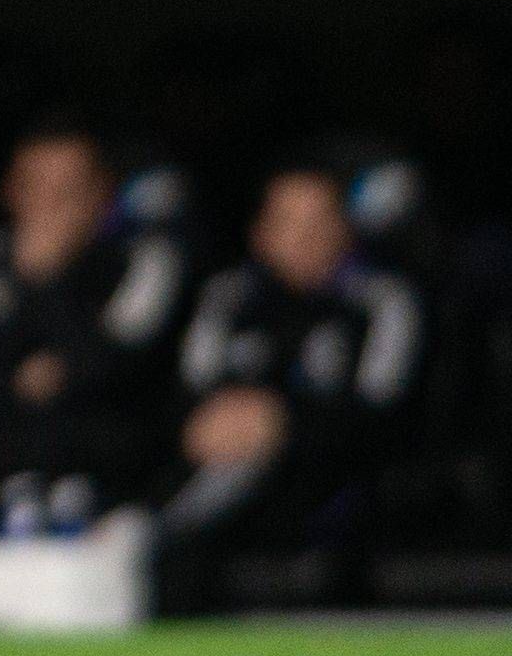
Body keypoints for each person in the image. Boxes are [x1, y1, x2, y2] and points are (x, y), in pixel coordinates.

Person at [0, 125, 189, 531]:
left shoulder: (138, 264)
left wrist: (46, 283)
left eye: (69, 190)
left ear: (102, 196)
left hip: (89, 472)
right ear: (11, 192)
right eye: (37, 188)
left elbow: (121, 367)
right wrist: (12, 379)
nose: (51, 205)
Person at [156, 164, 420, 610]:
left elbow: (384, 416)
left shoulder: (380, 301)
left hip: (333, 483)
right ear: (261, 231)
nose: (303, 238)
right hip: (227, 476)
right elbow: (190, 398)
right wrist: (211, 426)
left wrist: (285, 424)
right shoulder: (230, 298)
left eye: (318, 223)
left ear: (345, 231)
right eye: (288, 222)